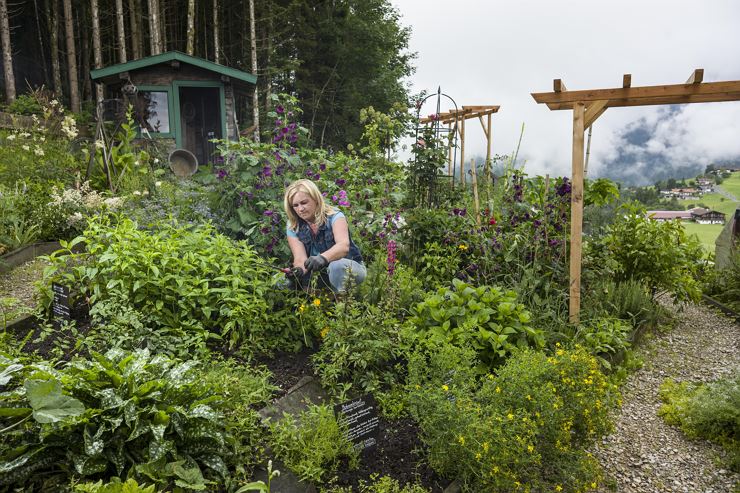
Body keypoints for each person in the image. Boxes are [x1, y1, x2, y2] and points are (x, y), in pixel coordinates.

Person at [283, 179, 366, 292]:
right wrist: (298, 270)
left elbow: (343, 246)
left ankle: (343, 305)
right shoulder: (293, 225)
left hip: (348, 267)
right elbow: (300, 258)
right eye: (295, 205)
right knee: (282, 282)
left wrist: (322, 258)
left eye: (304, 203)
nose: (300, 209)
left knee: (336, 267)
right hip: (320, 272)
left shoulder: (335, 216)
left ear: (316, 199)